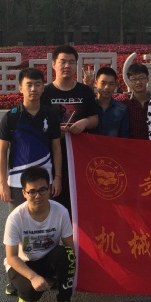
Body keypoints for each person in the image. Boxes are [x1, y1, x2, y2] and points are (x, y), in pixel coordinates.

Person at [4, 166, 77, 302]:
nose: (38, 196)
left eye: (42, 190)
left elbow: (69, 247)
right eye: (32, 191)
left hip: (47, 259)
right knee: (30, 292)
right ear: (24, 193)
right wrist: (33, 277)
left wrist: (66, 272)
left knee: (68, 255)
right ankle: (23, 294)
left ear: (49, 189)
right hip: (25, 262)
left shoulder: (61, 212)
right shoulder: (15, 218)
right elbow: (11, 257)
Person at [42, 45, 98, 215]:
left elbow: (95, 119)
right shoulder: (45, 93)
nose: (67, 66)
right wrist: (52, 131)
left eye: (71, 62)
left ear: (76, 65)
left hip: (79, 156)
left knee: (79, 203)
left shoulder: (85, 91)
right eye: (63, 62)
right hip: (51, 157)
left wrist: (85, 123)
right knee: (54, 203)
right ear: (54, 64)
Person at [0, 67, 63, 210]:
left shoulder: (51, 116)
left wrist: (58, 177)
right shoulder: (11, 117)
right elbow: (2, 151)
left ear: (43, 88)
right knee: (18, 221)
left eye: (37, 84)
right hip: (17, 182)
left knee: (45, 220)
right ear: (21, 88)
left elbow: (57, 148)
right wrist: (3, 183)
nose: (33, 89)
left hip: (45, 181)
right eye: (29, 85)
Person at [94, 66, 129, 137]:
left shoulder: (122, 109)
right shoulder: (89, 106)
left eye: (111, 84)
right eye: (103, 83)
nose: (107, 87)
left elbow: (124, 137)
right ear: (96, 83)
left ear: (116, 85)